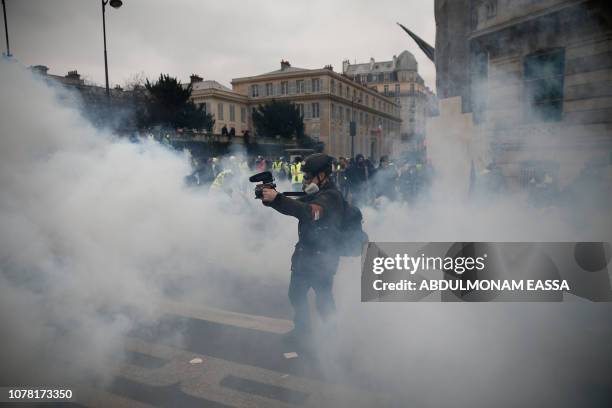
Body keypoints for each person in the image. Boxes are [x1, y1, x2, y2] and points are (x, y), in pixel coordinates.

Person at [261, 153, 344, 343]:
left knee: (323, 299)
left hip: (322, 258)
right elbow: (296, 207)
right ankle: (303, 331)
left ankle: (332, 337)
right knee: (296, 294)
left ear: (322, 176)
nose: (305, 179)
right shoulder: (316, 193)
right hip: (305, 255)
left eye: (309, 176)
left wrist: (277, 199)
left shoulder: (330, 197)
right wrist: (272, 200)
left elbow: (308, 212)